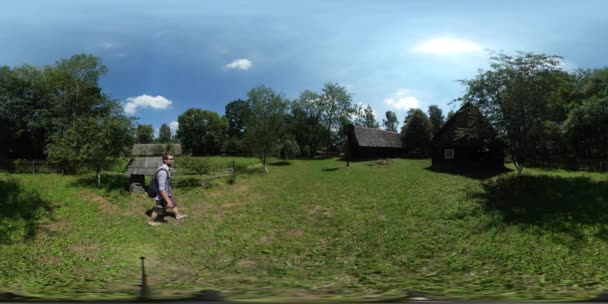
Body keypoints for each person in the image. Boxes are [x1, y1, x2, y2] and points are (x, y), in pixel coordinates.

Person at [148, 153, 187, 226]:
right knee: (158, 209)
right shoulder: (163, 172)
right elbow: (161, 188)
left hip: (168, 192)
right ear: (165, 160)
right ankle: (151, 221)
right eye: (171, 159)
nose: (173, 160)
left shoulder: (166, 169)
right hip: (162, 195)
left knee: (174, 203)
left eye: (173, 159)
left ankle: (177, 215)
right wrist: (168, 201)